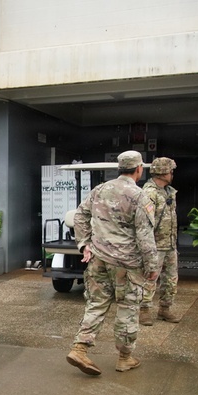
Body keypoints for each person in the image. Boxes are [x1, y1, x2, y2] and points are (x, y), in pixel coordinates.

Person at [65, 150, 148, 375]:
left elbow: (79, 216)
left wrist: (84, 244)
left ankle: (80, 348)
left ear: (120, 168)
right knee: (128, 308)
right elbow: (144, 235)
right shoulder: (139, 195)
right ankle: (125, 358)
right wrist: (151, 268)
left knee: (97, 304)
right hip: (127, 264)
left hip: (99, 259)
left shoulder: (99, 190)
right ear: (138, 169)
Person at [138, 157, 182, 325]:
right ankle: (144, 310)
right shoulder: (150, 193)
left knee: (171, 279)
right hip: (155, 245)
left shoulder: (169, 192)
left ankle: (165, 309)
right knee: (150, 278)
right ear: (163, 173)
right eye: (170, 171)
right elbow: (144, 223)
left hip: (169, 244)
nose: (172, 174)